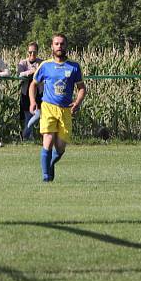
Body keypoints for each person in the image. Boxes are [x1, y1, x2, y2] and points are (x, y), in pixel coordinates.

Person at [29, 34, 85, 182]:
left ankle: (51, 163)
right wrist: (32, 101)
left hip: (65, 110)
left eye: (62, 44)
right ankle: (46, 177)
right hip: (48, 107)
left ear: (66, 46)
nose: (59, 46)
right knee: (47, 139)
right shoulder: (45, 65)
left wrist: (77, 102)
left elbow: (81, 88)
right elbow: (33, 84)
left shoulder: (74, 66)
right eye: (56, 44)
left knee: (60, 147)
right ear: (52, 46)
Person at [17, 42, 43, 139]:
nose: (32, 54)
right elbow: (19, 74)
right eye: (30, 52)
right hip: (25, 93)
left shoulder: (41, 63)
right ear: (27, 52)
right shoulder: (23, 63)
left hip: (39, 93)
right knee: (28, 116)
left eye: (34, 52)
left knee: (37, 115)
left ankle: (25, 135)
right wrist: (31, 72)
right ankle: (28, 136)